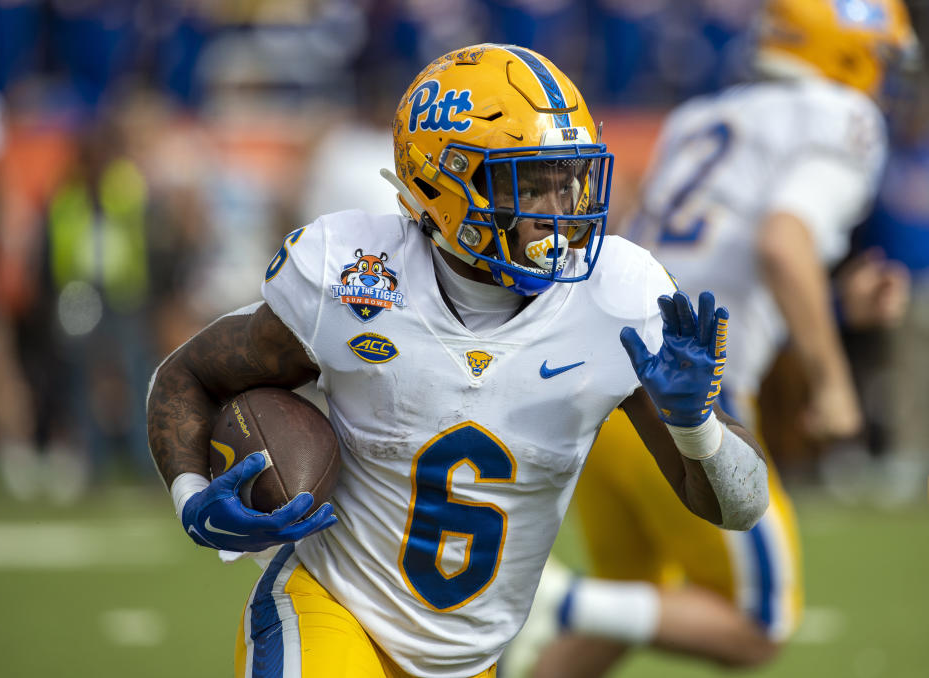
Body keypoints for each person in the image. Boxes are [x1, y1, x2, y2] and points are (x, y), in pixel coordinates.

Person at [146, 44, 770, 678]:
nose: (561, 212)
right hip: (333, 608)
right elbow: (187, 376)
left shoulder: (621, 297)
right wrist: (193, 497)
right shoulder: (354, 275)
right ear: (438, 185)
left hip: (473, 661)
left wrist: (698, 428)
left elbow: (739, 509)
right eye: (530, 183)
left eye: (569, 178)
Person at [501, 2, 919, 677]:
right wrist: (833, 383)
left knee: (637, 594)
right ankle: (558, 600)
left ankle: (570, 608)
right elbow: (783, 245)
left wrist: (835, 304)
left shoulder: (701, 116)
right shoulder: (840, 117)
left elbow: (696, 269)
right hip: (685, 403)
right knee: (758, 625)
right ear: (847, 51)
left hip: (601, 385)